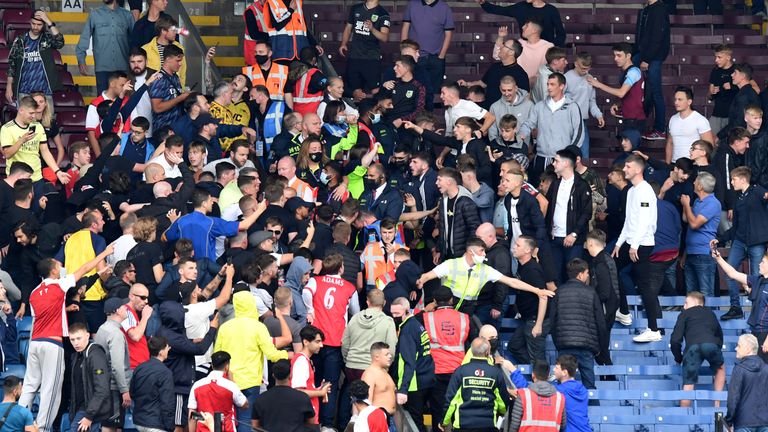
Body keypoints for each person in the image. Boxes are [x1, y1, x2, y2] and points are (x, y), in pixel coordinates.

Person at [19, 244, 113, 432]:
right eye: (58, 265)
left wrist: (66, 309)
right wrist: (105, 252)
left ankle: (16, 421)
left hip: (35, 342)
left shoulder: (34, 293)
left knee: (29, 385)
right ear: (54, 271)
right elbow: (85, 268)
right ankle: (43, 428)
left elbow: (44, 314)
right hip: (52, 343)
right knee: (50, 388)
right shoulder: (59, 284)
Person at [213, 288, 290, 432]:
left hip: (228, 380)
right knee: (245, 421)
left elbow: (217, 355)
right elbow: (272, 354)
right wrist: (288, 355)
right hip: (250, 382)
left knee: (226, 420)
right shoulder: (258, 327)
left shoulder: (225, 328)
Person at [417, 237, 554, 314]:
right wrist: (421, 281)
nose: (484, 254)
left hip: (468, 311)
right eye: (481, 251)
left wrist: (537, 290)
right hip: (446, 308)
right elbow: (428, 276)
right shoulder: (451, 264)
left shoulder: (485, 270)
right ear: (471, 252)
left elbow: (512, 282)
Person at [302, 253, 360, 429]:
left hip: (315, 341)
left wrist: (310, 310)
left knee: (314, 380)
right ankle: (326, 424)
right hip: (336, 341)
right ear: (341, 268)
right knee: (330, 384)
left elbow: (306, 291)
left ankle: (313, 421)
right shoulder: (350, 288)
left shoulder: (316, 281)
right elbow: (356, 313)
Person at [612, 155, 658, 336]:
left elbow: (645, 221)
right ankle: (623, 311)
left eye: (628, 167)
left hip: (642, 244)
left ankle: (653, 328)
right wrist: (619, 243)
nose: (624, 170)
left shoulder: (645, 191)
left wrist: (635, 245)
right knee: (611, 268)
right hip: (631, 241)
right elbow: (629, 221)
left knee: (644, 284)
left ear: (638, 169)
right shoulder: (631, 191)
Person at [717, 166, 768, 320]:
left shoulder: (757, 190)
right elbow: (735, 227)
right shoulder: (737, 198)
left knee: (757, 277)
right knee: (729, 273)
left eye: (733, 179)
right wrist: (720, 239)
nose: (732, 182)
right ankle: (735, 307)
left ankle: (756, 310)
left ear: (742, 179)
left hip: (757, 241)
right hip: (739, 240)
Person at [549, 258, 607, 390]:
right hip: (586, 346)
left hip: (564, 345)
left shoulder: (559, 292)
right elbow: (601, 323)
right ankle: (593, 409)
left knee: (563, 386)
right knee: (589, 386)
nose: (588, 276)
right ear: (580, 274)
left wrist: (558, 343)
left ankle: (563, 411)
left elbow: (552, 321)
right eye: (587, 273)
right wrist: (599, 347)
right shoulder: (591, 292)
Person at [518, 73, 584, 186]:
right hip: (541, 157)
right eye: (548, 84)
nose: (548, 87)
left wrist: (569, 153)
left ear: (562, 86)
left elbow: (578, 132)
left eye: (552, 84)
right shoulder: (539, 106)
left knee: (560, 190)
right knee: (538, 189)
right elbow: (529, 124)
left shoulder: (572, 106)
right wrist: (520, 136)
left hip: (562, 159)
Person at [440, 338, 510, 431]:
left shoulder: (460, 371)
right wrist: (501, 412)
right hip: (487, 426)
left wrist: (444, 422)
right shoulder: (495, 373)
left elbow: (450, 400)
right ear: (487, 352)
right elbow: (503, 405)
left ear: (471, 351)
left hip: (463, 426)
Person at [670, 291, 725, 407]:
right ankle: (717, 404)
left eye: (686, 303)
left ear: (695, 302)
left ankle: (684, 415)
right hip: (711, 345)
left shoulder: (684, 314)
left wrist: (679, 358)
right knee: (720, 368)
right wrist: (717, 349)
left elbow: (675, 340)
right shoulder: (710, 312)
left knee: (688, 384)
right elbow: (719, 334)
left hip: (692, 348)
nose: (684, 306)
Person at [544, 149, 592, 282]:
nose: (553, 163)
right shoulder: (555, 184)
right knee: (554, 276)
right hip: (554, 238)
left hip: (573, 240)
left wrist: (574, 234)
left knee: (573, 276)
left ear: (565, 163)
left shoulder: (581, 185)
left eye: (556, 161)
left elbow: (586, 213)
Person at [712, 247, 768, 363]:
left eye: (763, 262)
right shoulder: (758, 280)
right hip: (755, 331)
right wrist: (719, 258)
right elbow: (733, 274)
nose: (759, 264)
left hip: (765, 333)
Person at [506, 355, 588, 432]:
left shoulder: (559, 391)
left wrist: (513, 370)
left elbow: (530, 390)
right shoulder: (583, 390)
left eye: (556, 368)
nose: (554, 370)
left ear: (564, 372)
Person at [1, 96, 69, 184]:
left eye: (34, 113)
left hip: (37, 177)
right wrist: (21, 140)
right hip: (17, 179)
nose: (33, 116)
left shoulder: (38, 126)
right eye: (31, 113)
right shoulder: (7, 128)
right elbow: (7, 154)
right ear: (21, 110)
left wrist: (57, 171)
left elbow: (45, 151)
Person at [390, 297, 433, 432]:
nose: (394, 317)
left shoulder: (407, 331)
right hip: (427, 379)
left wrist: (403, 389)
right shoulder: (417, 325)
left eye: (397, 314)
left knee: (414, 422)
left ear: (406, 311)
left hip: (415, 384)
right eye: (392, 313)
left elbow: (408, 362)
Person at [400, 0, 454, 109]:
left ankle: (430, 120)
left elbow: (448, 34)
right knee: (413, 90)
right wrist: (404, 52)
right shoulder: (413, 4)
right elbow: (405, 27)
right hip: (415, 57)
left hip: (435, 58)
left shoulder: (444, 7)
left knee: (433, 94)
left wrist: (441, 56)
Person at [5, 10, 64, 108]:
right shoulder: (21, 40)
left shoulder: (47, 38)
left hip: (45, 90)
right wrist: (9, 87)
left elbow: (60, 42)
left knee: (46, 122)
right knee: (25, 121)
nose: (35, 27)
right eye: (33, 23)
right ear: (30, 22)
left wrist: (49, 22)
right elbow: (12, 64)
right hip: (24, 91)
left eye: (39, 24)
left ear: (43, 24)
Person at [588, 43, 646, 140]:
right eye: (614, 55)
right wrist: (618, 104)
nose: (615, 58)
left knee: (631, 153)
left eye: (619, 55)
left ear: (628, 56)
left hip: (635, 119)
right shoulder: (628, 71)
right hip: (630, 118)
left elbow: (621, 92)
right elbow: (629, 94)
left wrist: (598, 84)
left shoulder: (633, 72)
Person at [507, 235, 550, 364]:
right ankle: (535, 372)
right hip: (526, 318)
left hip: (535, 319)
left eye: (518, 245)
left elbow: (543, 296)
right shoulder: (522, 266)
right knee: (514, 347)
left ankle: (543, 379)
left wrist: (538, 324)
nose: (514, 247)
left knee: (537, 357)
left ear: (527, 250)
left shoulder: (533, 269)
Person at [75, 0, 133, 94]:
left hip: (123, 68)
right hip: (102, 69)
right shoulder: (95, 14)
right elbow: (85, 37)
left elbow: (134, 41)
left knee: (123, 102)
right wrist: (81, 59)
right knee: (103, 103)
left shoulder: (127, 15)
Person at [339, 0, 391, 100]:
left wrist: (372, 29)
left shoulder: (383, 13)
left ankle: (374, 113)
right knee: (353, 90)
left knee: (375, 90)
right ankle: (355, 114)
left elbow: (384, 37)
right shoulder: (355, 8)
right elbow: (348, 27)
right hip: (354, 56)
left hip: (371, 58)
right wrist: (343, 44)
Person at [634, 0, 670, 140]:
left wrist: (647, 59)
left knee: (655, 92)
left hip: (653, 56)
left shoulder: (659, 9)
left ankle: (660, 129)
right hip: (644, 53)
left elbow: (657, 37)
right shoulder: (648, 9)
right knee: (628, 71)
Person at [681, 172, 721, 296]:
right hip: (692, 252)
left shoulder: (713, 203)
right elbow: (686, 219)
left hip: (704, 253)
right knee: (691, 293)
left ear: (700, 187)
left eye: (696, 181)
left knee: (705, 292)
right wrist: (685, 254)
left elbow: (694, 224)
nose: (693, 183)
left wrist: (687, 204)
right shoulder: (698, 201)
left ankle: (708, 315)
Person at [67, 322, 112, 432]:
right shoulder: (76, 356)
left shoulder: (96, 355)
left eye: (78, 338)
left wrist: (89, 416)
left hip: (90, 412)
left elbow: (102, 389)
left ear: (87, 336)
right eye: (72, 340)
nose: (76, 343)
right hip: (79, 410)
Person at [188, 351, 248, 432]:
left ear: (212, 366)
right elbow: (244, 405)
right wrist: (232, 381)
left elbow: (192, 416)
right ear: (227, 366)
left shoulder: (197, 385)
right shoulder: (231, 386)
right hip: (227, 429)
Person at [585, 229, 619, 366]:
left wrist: (592, 303)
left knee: (601, 348)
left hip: (604, 310)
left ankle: (610, 377)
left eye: (587, 244)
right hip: (608, 308)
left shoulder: (600, 263)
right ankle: (609, 377)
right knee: (601, 347)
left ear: (591, 244)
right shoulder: (606, 259)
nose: (586, 247)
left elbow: (604, 291)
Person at [253, 359, 317, 431]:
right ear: (290, 375)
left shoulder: (261, 399)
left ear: (273, 375)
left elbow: (255, 426)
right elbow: (311, 423)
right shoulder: (303, 397)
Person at [130, 336, 176, 432]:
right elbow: (167, 402)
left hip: (139, 422)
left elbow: (132, 393)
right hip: (156, 424)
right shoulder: (165, 372)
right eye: (167, 347)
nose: (168, 349)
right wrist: (170, 427)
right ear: (161, 352)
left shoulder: (139, 368)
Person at [505, 359, 567, 432]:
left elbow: (514, 425)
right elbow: (563, 426)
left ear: (533, 375)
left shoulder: (523, 395)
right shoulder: (560, 398)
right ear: (548, 376)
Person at [477, 0, 566, 47]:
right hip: (526, 50)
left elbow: (561, 34)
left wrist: (551, 49)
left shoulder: (551, 10)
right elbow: (501, 10)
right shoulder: (521, 7)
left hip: (546, 53)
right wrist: (484, 3)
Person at [725, 334, 768, 431]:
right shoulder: (766, 369)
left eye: (739, 345)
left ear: (748, 349)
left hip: (743, 422)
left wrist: (729, 421)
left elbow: (733, 399)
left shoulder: (739, 369)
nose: (736, 348)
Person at [666, 86, 714, 163]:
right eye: (675, 99)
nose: (676, 102)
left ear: (689, 102)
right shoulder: (673, 119)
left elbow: (709, 146)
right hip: (675, 164)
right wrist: (667, 165)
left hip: (693, 165)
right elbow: (670, 143)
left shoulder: (700, 120)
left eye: (680, 100)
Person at [149, 44, 191, 132]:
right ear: (168, 59)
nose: (180, 64)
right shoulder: (159, 79)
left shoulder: (175, 77)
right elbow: (157, 108)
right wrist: (180, 98)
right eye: (178, 60)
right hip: (163, 130)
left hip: (176, 127)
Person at [717, 63, 760, 143]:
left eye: (735, 73)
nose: (732, 75)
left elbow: (739, 122)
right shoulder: (748, 92)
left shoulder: (743, 96)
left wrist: (719, 136)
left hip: (742, 138)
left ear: (743, 76)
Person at [141, 16, 187, 87]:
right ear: (163, 31)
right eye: (173, 30)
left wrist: (181, 90)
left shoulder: (179, 48)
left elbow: (182, 73)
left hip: (174, 92)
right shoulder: (146, 50)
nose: (176, 33)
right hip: (153, 92)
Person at [362, 342, 397, 426]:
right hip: (378, 421)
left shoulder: (384, 372)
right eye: (386, 354)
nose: (390, 356)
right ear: (377, 357)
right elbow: (365, 403)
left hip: (389, 420)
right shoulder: (370, 374)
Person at [708, 45, 737, 138]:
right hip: (716, 113)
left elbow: (753, 88)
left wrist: (733, 87)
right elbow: (709, 96)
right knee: (711, 143)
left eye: (719, 57)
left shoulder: (737, 70)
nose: (716, 60)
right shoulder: (715, 71)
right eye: (715, 57)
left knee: (730, 143)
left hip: (732, 115)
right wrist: (712, 93)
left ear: (728, 57)